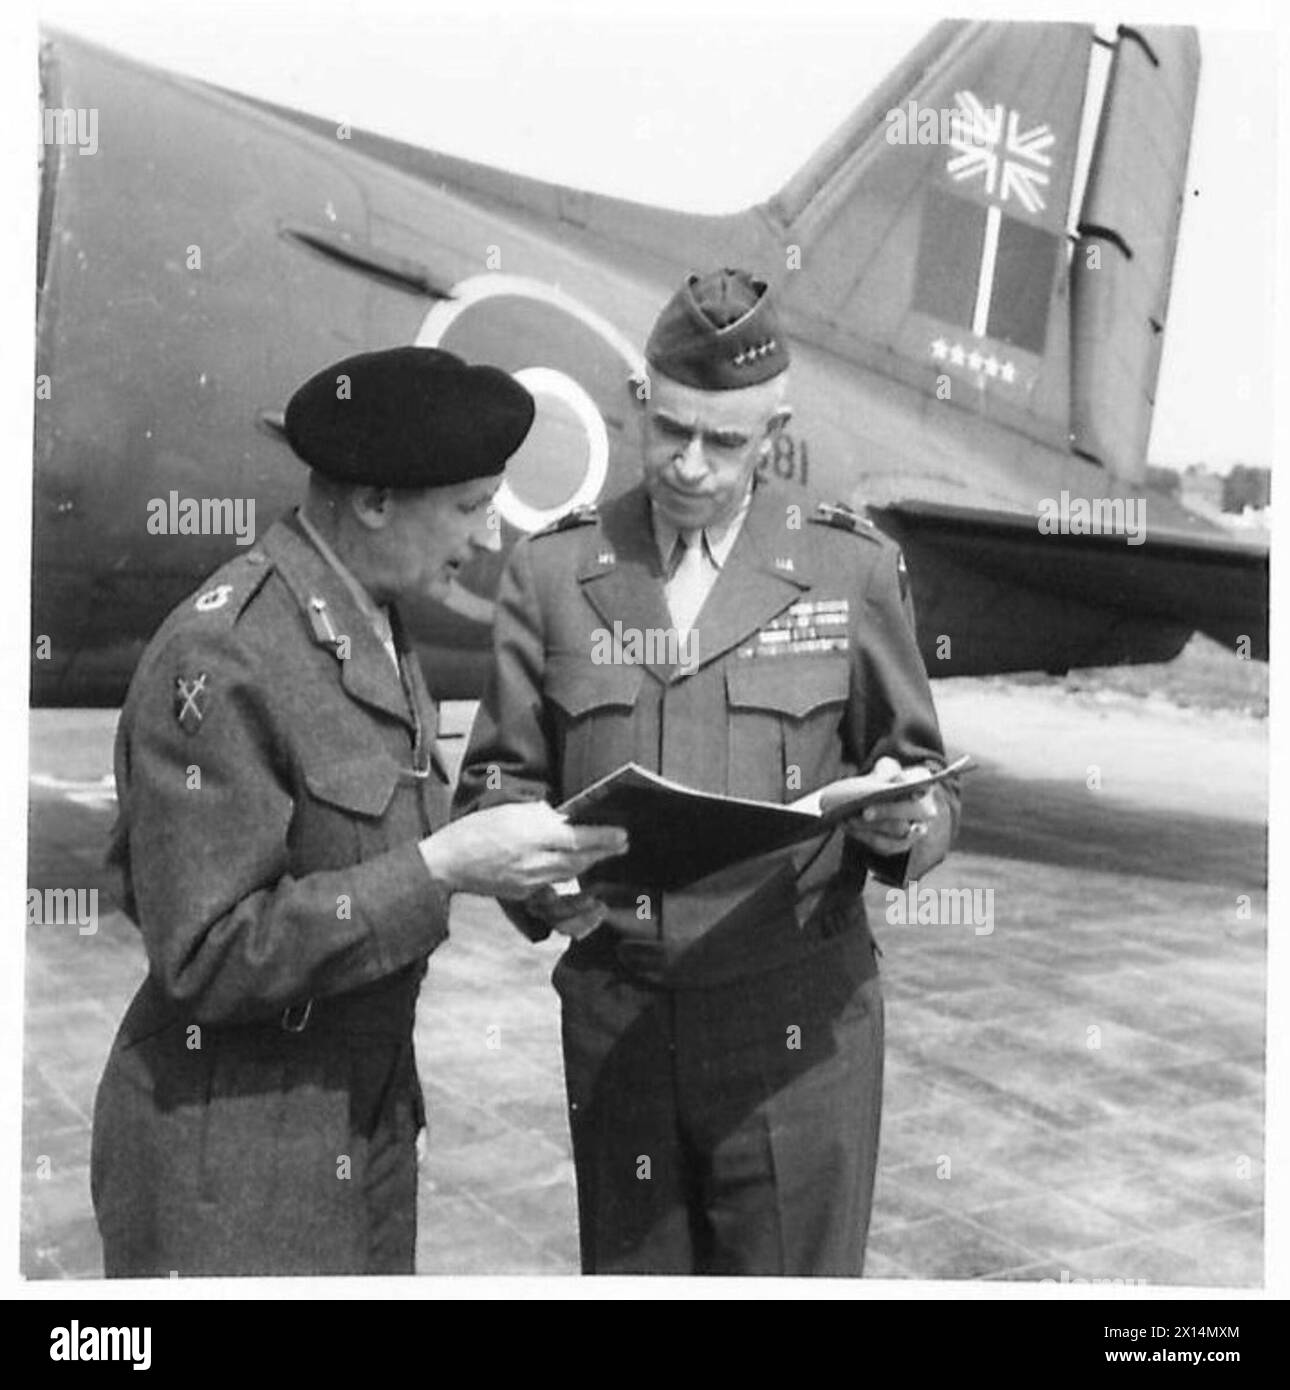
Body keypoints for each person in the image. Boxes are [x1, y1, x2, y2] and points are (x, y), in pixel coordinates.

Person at [453, 269, 960, 1275]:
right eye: (670, 430)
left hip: (796, 1033)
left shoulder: (848, 567)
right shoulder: (554, 571)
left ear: (773, 433)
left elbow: (926, 776)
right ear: (640, 402)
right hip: (621, 1024)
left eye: (725, 442)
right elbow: (498, 780)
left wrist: (906, 825)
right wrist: (537, 878)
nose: (691, 465)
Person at [90, 346, 626, 1277]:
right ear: (375, 500)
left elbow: (373, 845)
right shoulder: (226, 654)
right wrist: (444, 868)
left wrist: (527, 880)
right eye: (469, 506)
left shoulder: (368, 616)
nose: (491, 538)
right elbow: (203, 955)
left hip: (358, 1119)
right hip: (231, 1158)